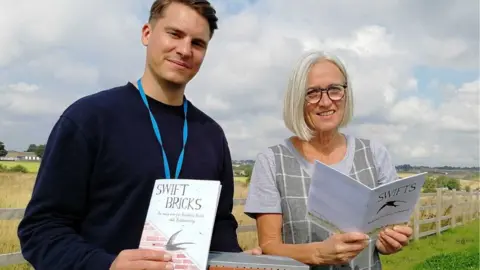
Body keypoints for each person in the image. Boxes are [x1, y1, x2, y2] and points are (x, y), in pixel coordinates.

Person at [17, 1, 260, 270]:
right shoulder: (89, 118)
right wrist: (106, 266)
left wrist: (236, 261)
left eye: (198, 43)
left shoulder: (211, 135)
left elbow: (220, 225)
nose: (185, 50)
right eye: (175, 34)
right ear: (147, 33)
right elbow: (40, 230)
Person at [243, 50, 412, 270]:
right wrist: (318, 254)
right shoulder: (272, 161)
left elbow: (387, 229)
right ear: (297, 100)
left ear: (346, 93)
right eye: (312, 93)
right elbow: (269, 246)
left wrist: (390, 241)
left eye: (334, 90)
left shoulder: (375, 154)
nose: (325, 101)